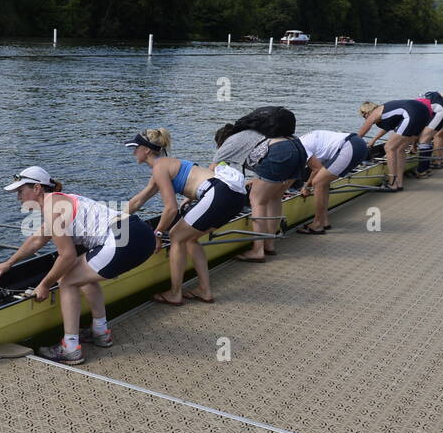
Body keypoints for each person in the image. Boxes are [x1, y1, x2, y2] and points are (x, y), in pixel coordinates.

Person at [0, 165, 155, 364]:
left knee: (67, 280)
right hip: (142, 234)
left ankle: (70, 348)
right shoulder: (60, 200)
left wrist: (44, 284)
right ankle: (100, 332)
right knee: (82, 275)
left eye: (20, 191)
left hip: (120, 240)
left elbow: (67, 255)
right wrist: (9, 262)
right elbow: (37, 240)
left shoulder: (51, 207)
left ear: (37, 188)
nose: (18, 197)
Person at [125, 128, 247, 304]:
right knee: (189, 239)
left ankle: (175, 293)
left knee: (175, 235)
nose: (133, 151)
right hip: (234, 196)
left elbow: (171, 209)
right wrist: (115, 219)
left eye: (135, 147)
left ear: (146, 150)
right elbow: (138, 201)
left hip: (218, 193)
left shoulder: (159, 168)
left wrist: (158, 233)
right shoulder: (167, 164)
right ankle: (204, 291)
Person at [211, 106, 309, 261]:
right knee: (274, 198)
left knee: (257, 201)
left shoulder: (229, 142)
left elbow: (210, 172)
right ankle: (269, 245)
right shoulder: (256, 131)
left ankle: (258, 250)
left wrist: (192, 197)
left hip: (280, 150)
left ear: (220, 140)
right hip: (297, 147)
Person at [295, 129, 369, 233]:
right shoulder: (303, 141)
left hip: (349, 146)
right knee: (322, 181)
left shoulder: (299, 147)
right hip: (358, 143)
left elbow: (317, 169)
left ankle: (317, 225)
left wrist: (307, 187)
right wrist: (307, 185)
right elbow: (318, 170)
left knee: (318, 183)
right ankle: (324, 221)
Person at [357, 97, 433, 191]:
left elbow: (364, 128)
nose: (365, 119)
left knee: (389, 147)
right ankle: (399, 183)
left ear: (367, 112)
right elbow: (387, 129)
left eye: (364, 116)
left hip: (413, 111)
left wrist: (351, 142)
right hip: (425, 113)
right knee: (400, 149)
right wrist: (374, 140)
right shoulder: (385, 115)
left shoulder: (375, 112)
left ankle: (392, 183)